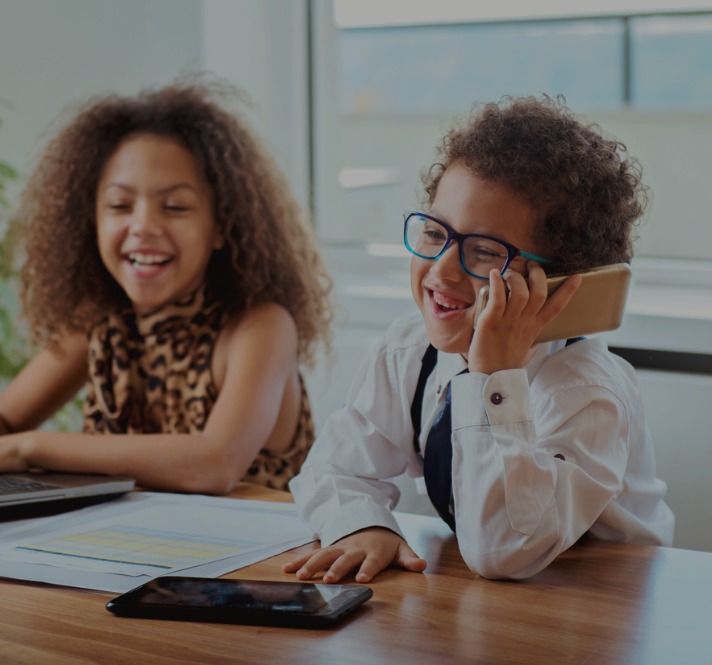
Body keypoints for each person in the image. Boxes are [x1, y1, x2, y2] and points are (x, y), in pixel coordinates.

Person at [285, 95, 674, 581]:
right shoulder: (410, 351)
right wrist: (361, 524)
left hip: (598, 599)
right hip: (492, 607)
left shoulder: (584, 389)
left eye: (486, 252)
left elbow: (505, 551)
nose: (443, 270)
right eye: (434, 233)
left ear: (558, 283)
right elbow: (333, 469)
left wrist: (494, 376)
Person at [0, 77, 333, 494]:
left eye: (175, 206)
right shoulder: (100, 320)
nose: (143, 225)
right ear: (90, 221)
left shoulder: (260, 327)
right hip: (134, 553)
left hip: (267, 558)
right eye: (119, 205)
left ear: (223, 226)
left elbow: (216, 463)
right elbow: (5, 418)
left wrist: (30, 447)